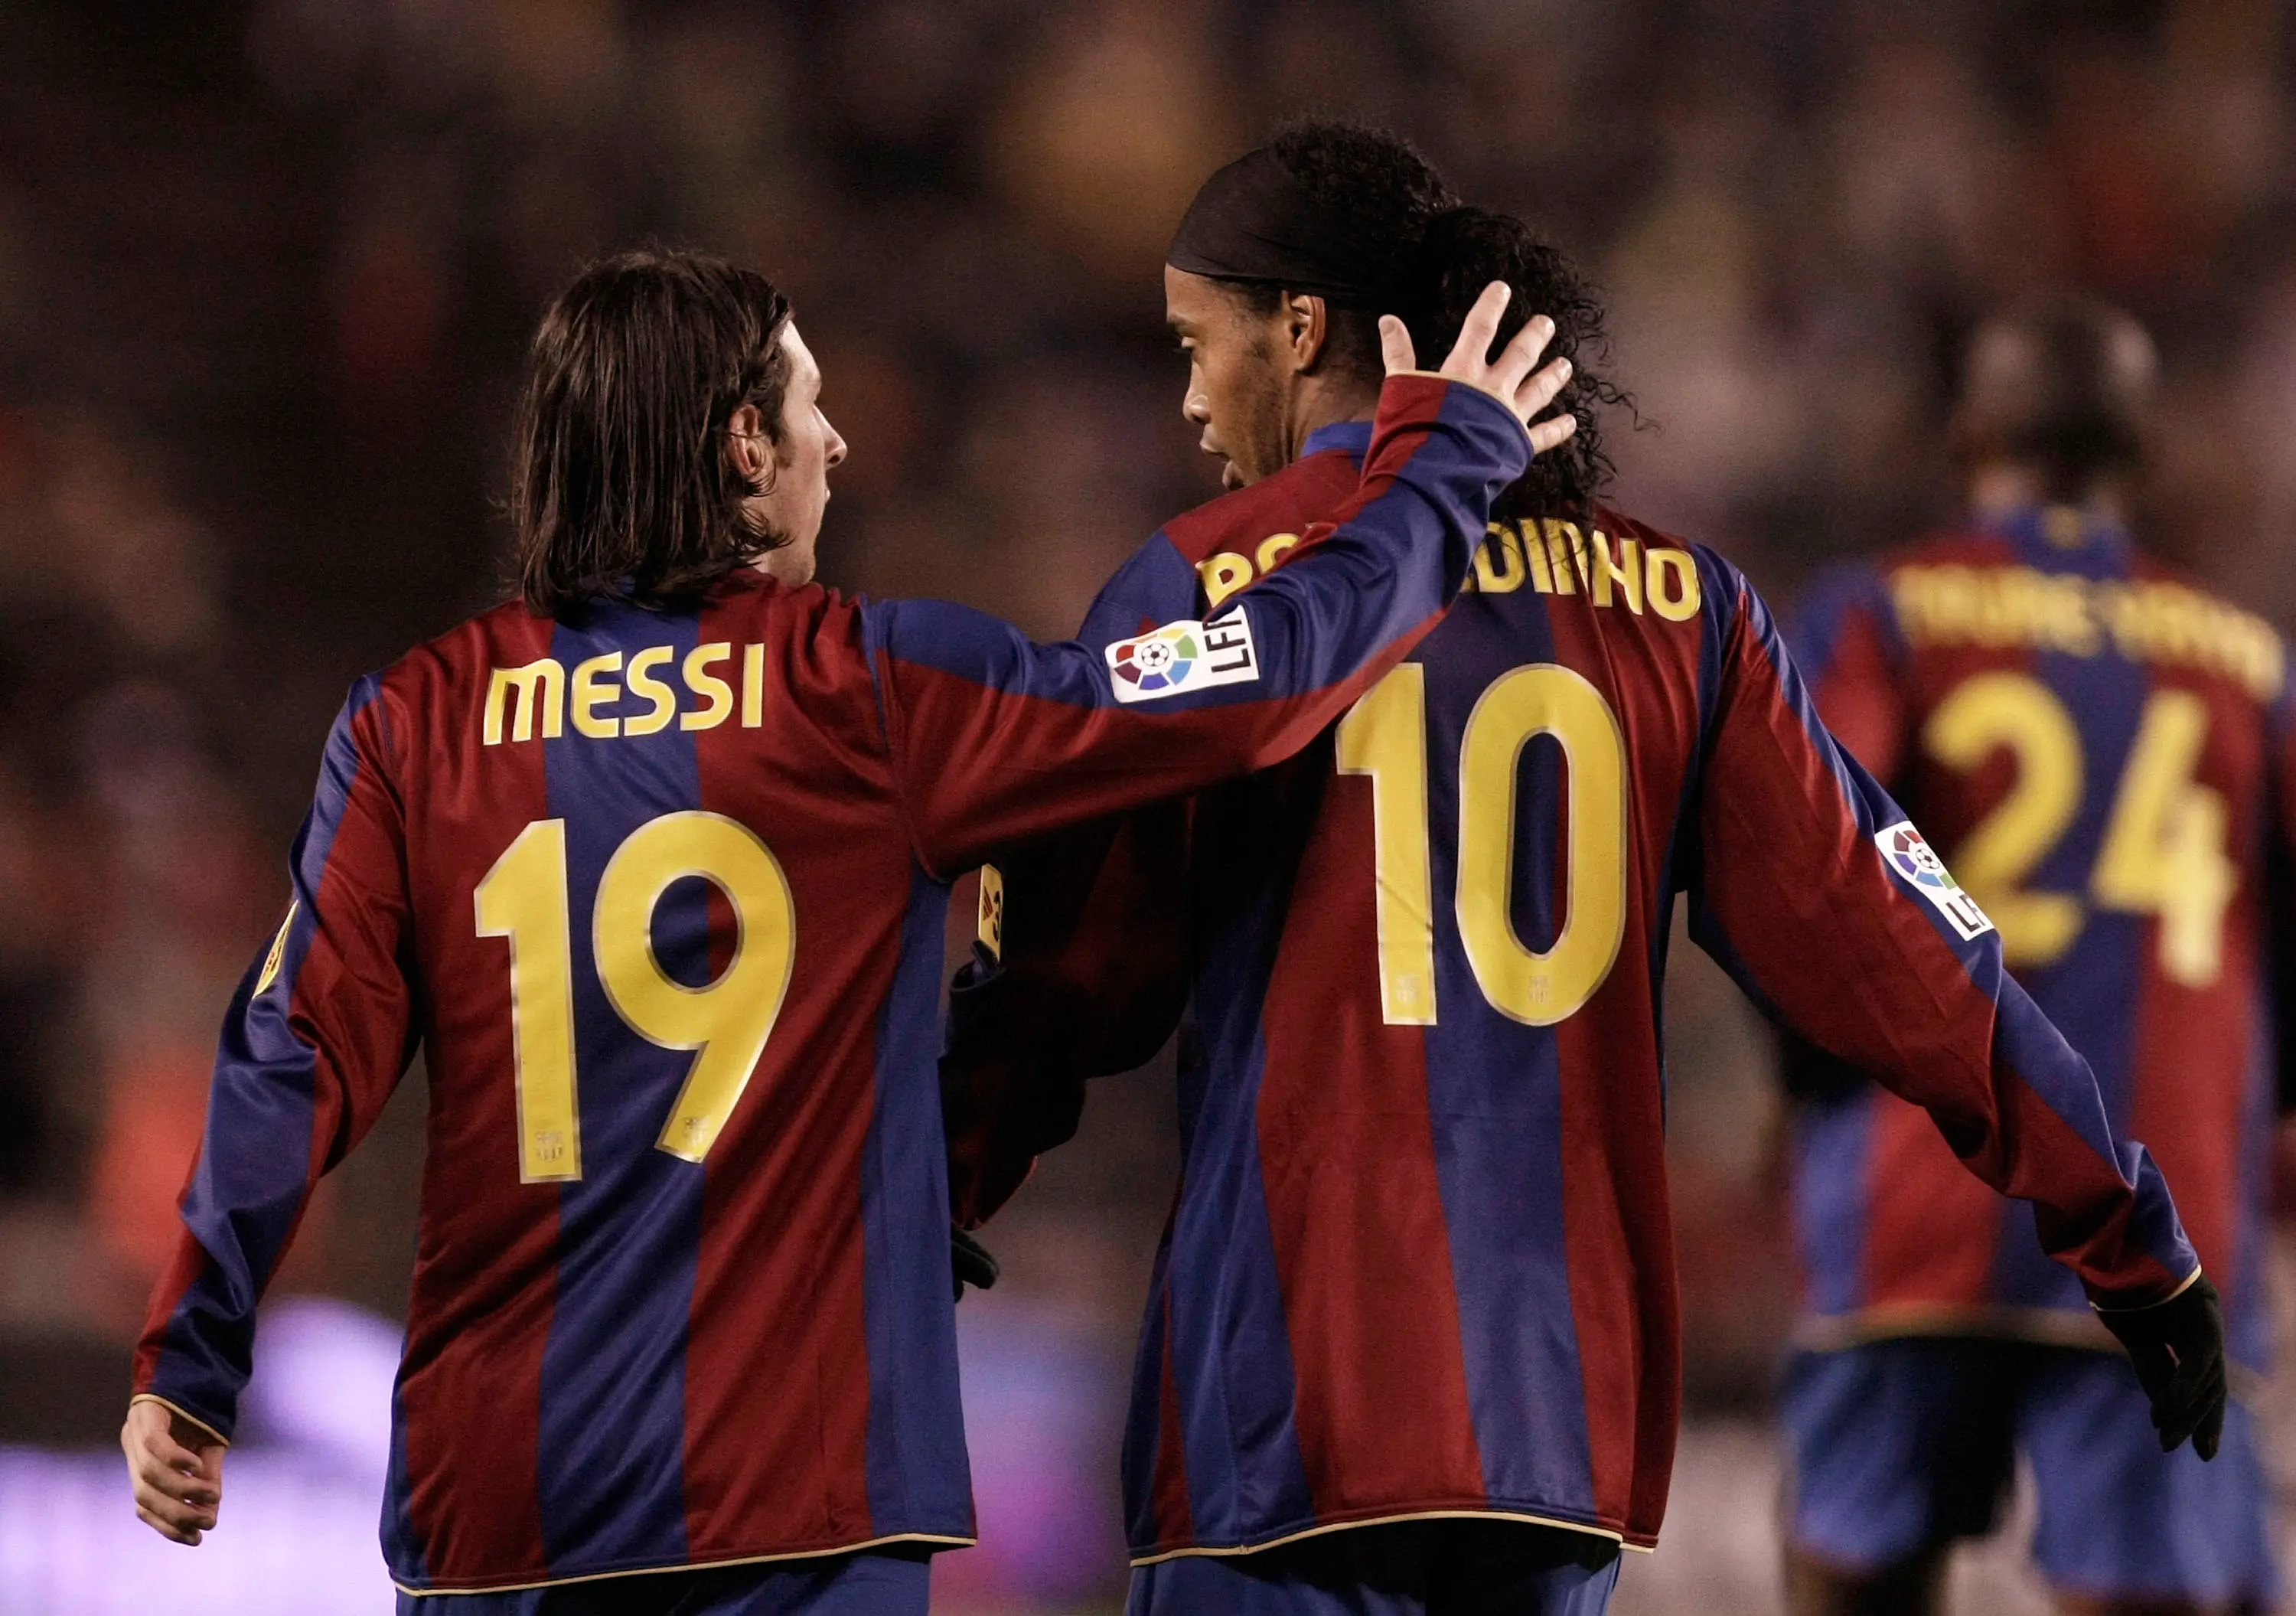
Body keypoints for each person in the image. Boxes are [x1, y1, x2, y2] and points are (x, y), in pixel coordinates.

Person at [117, 244, 1577, 1612]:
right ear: (745, 448)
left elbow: (290, 1049)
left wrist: (194, 1347)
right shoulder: (871, 692)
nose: (839, 443)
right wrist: (1442, 468)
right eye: (810, 404)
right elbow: (1244, 682)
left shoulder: (411, 724)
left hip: (501, 1504)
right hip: (798, 1505)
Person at [940, 124, 2227, 1616]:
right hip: (1553, 1432)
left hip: (1283, 1414)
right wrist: (2122, 1222)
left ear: (1298, 331)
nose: (1188, 395)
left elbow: (1067, 965)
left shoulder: (1209, 582)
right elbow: (1907, 950)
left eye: (1195, 344)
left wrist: (943, 1177)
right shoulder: (1681, 611)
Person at [1778, 298, 2288, 1616]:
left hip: (1912, 1185)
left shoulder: (1881, 612)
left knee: (1855, 1570)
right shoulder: (2246, 660)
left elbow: (1806, 858)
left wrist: (1809, 1077)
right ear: (2145, 451)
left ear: (1966, 434)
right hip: (2168, 1207)